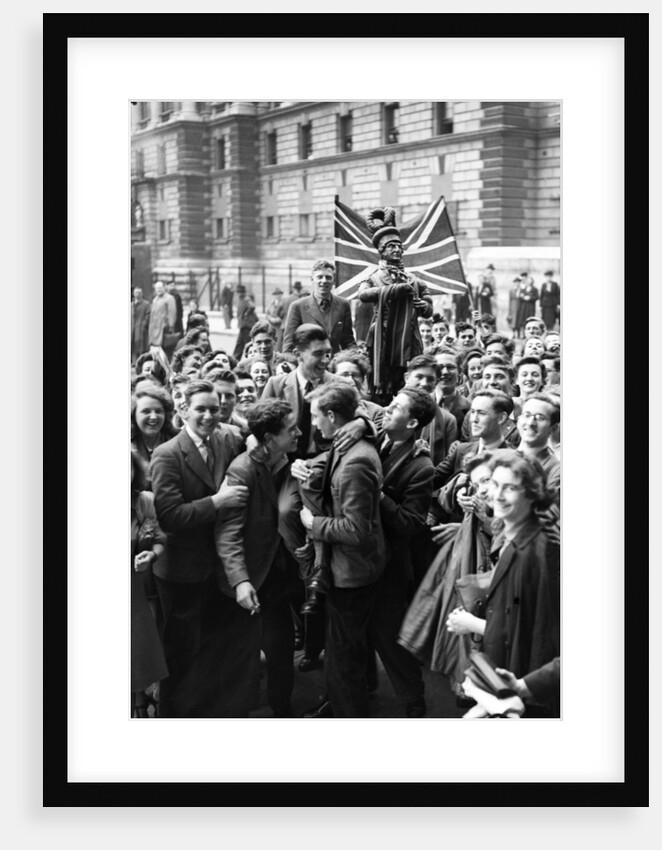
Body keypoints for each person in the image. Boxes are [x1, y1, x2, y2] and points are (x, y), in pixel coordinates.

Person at [150, 379, 247, 717]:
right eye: (200, 409)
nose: (208, 415)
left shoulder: (226, 438)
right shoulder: (167, 455)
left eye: (215, 408)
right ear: (182, 410)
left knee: (209, 647)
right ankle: (171, 715)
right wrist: (217, 502)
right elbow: (169, 516)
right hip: (180, 570)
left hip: (215, 567)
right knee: (179, 650)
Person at [445, 450, 560, 706]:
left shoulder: (538, 550)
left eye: (509, 487)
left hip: (531, 687)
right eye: (493, 484)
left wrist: (473, 624)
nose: (494, 494)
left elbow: (536, 631)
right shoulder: (515, 535)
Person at [299, 381, 386, 717]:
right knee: (349, 647)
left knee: (342, 654)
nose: (315, 423)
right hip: (356, 568)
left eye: (317, 416)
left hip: (351, 573)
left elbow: (355, 530)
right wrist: (310, 467)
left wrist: (312, 524)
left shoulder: (355, 462)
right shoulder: (351, 441)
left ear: (333, 416)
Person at [214, 399, 302, 717]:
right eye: (291, 430)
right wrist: (240, 581)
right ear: (268, 439)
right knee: (249, 652)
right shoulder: (242, 470)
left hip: (281, 573)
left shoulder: (287, 459)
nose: (299, 433)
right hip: (254, 577)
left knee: (281, 651)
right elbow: (228, 533)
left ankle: (282, 709)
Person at [399, 452, 496, 699]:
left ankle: (479, 685)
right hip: (462, 549)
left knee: (478, 619)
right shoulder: (463, 448)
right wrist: (458, 494)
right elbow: (442, 494)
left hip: (485, 555)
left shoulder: (510, 458)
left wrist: (480, 517)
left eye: (481, 413)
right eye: (473, 412)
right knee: (455, 614)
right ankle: (463, 680)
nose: (474, 419)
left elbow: (510, 524)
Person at [369, 386, 436, 717]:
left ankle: (412, 698)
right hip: (358, 556)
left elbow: (410, 523)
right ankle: (357, 689)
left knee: (391, 634)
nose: (386, 410)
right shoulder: (373, 438)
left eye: (395, 408)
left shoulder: (421, 466)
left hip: (390, 565)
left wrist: (378, 495)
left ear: (412, 424)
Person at [358, 207, 433, 403]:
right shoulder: (374, 278)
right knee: (381, 389)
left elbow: (429, 309)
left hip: (409, 340)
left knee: (410, 386)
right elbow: (363, 295)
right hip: (382, 339)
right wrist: (392, 290)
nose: (397, 250)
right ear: (382, 251)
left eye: (399, 246)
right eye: (392, 246)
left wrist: (422, 305)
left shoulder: (414, 280)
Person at [131, 450, 168, 717]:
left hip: (140, 589)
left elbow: (160, 539)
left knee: (140, 646)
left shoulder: (144, 501)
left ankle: (141, 700)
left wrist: (152, 553)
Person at [282, 259, 356, 355]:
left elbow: (348, 340)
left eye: (328, 277)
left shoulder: (343, 304)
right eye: (320, 277)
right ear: (312, 280)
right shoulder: (298, 307)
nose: (324, 281)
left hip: (334, 365)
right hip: (309, 364)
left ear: (334, 281)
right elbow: (289, 345)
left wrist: (356, 354)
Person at [403, 354, 457, 466]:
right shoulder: (388, 412)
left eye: (430, 379)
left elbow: (448, 462)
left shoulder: (447, 420)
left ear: (436, 383)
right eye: (419, 377)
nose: (424, 383)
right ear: (407, 378)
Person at [131, 383, 179, 488]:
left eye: (158, 411)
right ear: (134, 415)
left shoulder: (178, 439)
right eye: (146, 411)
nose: (153, 417)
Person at [432, 347, 471, 433]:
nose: (445, 372)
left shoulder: (469, 408)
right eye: (440, 367)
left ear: (459, 371)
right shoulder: (422, 405)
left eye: (450, 367)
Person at [148, 280, 177, 358]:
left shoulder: (169, 298)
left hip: (164, 328)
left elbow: (172, 313)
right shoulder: (155, 300)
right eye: (157, 288)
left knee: (166, 350)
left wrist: (171, 326)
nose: (158, 290)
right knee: (157, 351)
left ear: (164, 288)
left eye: (160, 288)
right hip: (155, 329)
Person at [233, 285, 258, 359]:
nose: (239, 294)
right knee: (239, 343)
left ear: (243, 292)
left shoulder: (246, 299)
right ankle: (235, 358)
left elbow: (252, 306)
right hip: (243, 324)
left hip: (246, 325)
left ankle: (252, 357)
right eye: (238, 292)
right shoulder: (241, 299)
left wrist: (246, 314)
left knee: (249, 343)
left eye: (240, 292)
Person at [131, 287, 150, 364]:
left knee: (141, 345)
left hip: (141, 327)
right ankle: (134, 361)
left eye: (139, 293)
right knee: (132, 344)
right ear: (133, 294)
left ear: (142, 294)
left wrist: (144, 324)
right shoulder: (131, 304)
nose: (137, 294)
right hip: (132, 327)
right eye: (136, 293)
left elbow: (148, 315)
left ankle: (141, 362)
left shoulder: (146, 304)